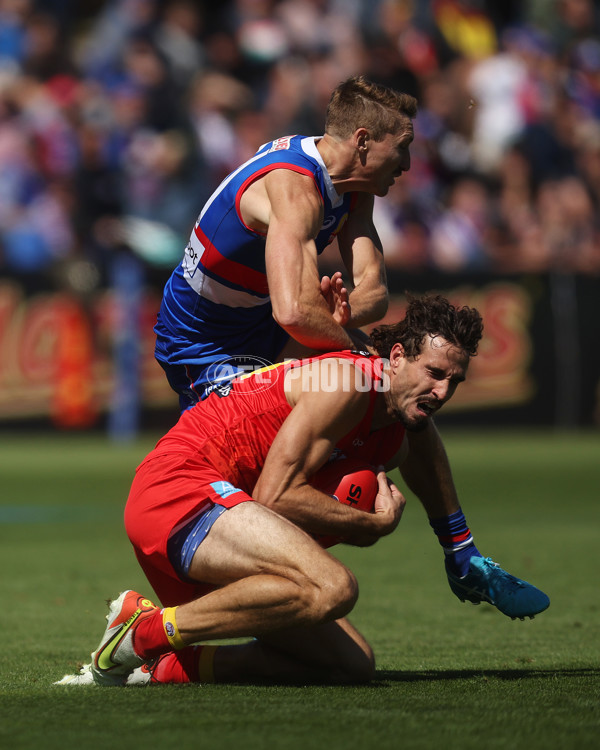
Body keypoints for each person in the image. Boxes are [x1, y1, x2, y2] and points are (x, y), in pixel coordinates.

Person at [55, 295, 549, 688]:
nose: (442, 392)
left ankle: (165, 668)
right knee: (334, 587)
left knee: (349, 666)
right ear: (396, 357)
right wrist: (370, 526)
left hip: (222, 519)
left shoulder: (400, 421)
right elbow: (275, 495)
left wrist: (459, 549)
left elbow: (424, 452)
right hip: (177, 489)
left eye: (454, 382)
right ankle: (142, 632)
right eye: (434, 374)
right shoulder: (351, 383)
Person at [154, 75, 418, 411]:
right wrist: (352, 343)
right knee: (254, 444)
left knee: (390, 396)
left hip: (266, 324)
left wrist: (335, 315)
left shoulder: (356, 188)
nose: (407, 164)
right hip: (203, 336)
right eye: (402, 146)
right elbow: (295, 313)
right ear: (362, 141)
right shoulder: (295, 187)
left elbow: (376, 293)